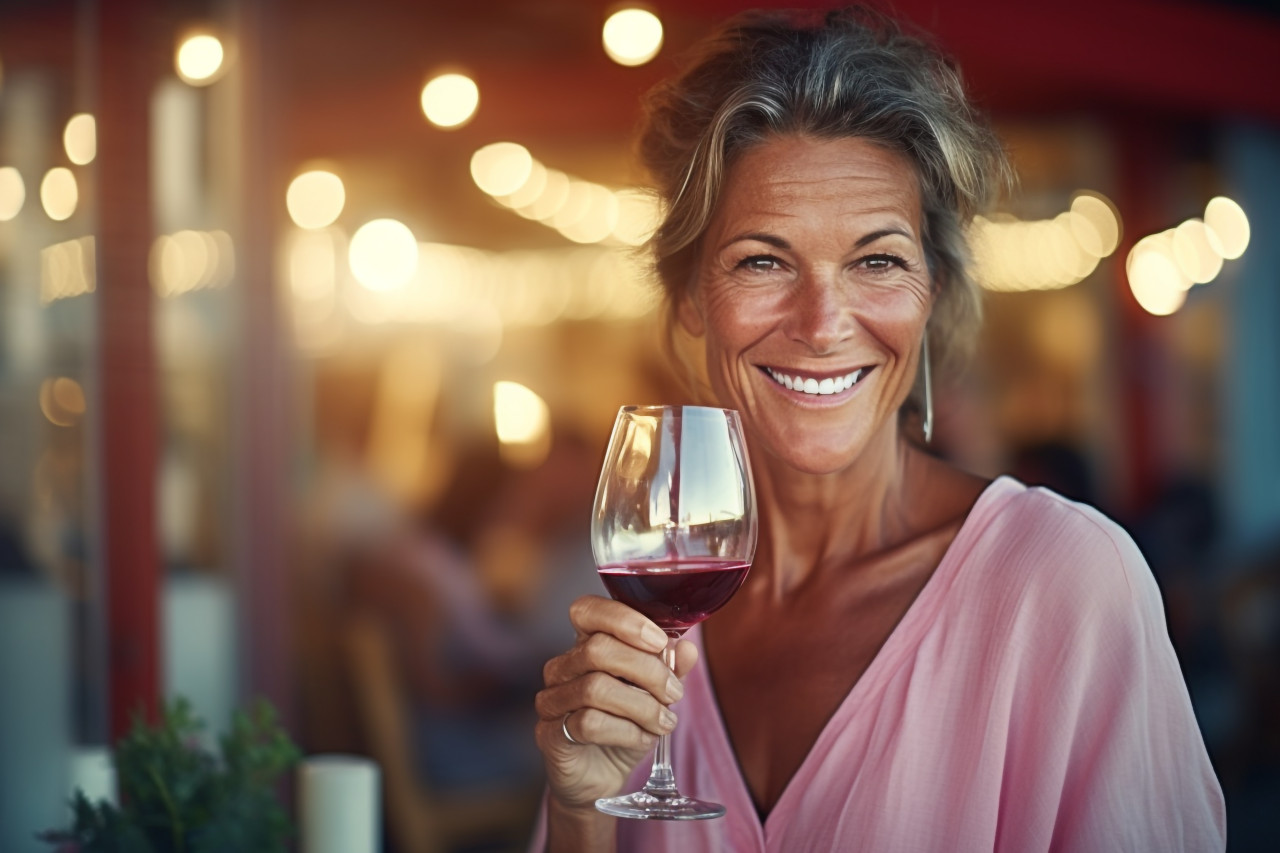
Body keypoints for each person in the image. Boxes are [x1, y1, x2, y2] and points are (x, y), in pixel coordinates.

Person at [531, 7, 1226, 851]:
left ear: (931, 295)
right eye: (763, 259)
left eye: (877, 260)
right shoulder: (662, 611)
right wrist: (577, 807)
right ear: (689, 298)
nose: (824, 323)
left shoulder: (1068, 584)